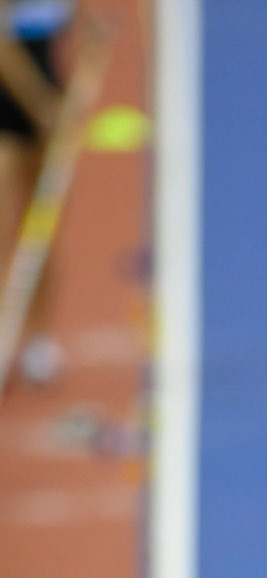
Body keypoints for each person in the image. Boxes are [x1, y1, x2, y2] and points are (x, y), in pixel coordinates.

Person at [0, 0, 73, 384]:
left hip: (46, 95)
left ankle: (38, 342)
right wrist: (41, 105)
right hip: (10, 97)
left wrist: (64, 102)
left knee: (41, 228)